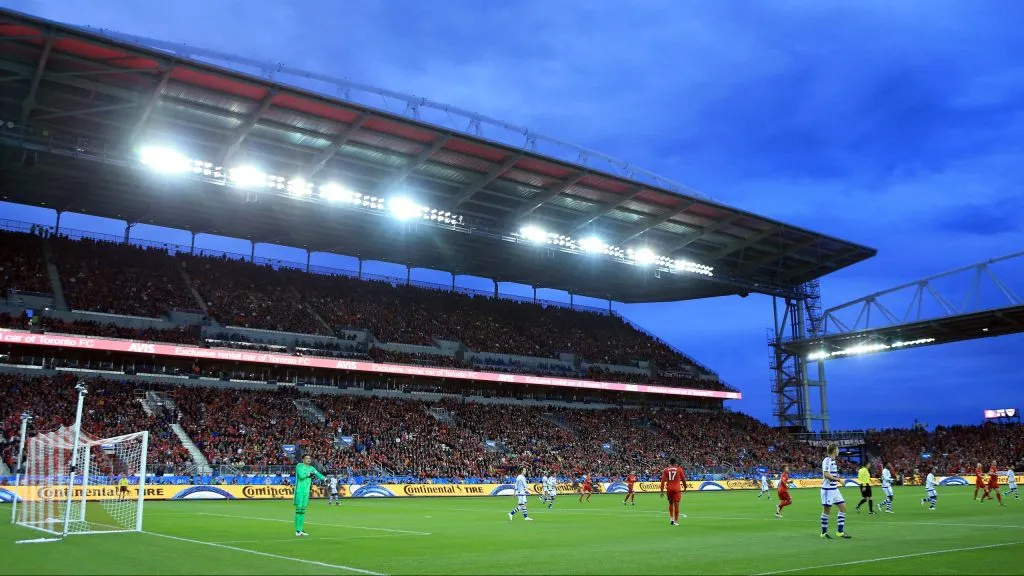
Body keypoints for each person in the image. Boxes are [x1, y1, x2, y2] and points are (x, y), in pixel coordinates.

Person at [820, 444, 851, 539]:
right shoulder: (827, 460)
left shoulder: (833, 461)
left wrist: (839, 479)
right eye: (837, 449)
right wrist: (838, 480)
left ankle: (840, 532)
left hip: (834, 489)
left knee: (843, 508)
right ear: (834, 451)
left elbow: (832, 475)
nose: (838, 451)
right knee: (826, 511)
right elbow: (826, 475)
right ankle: (823, 533)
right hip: (827, 490)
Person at [294, 453, 326, 536]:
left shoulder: (312, 468)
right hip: (299, 490)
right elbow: (301, 476)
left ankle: (301, 530)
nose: (309, 459)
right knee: (299, 510)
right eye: (307, 458)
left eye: (310, 458)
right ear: (303, 459)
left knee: (303, 511)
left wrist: (325, 478)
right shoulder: (299, 466)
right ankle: (297, 530)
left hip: (306, 491)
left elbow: (319, 475)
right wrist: (309, 474)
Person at [659, 458, 687, 526]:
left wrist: (662, 491)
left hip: (669, 489)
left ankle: (671, 518)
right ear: (675, 463)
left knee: (671, 503)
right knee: (676, 505)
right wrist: (685, 487)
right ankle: (676, 521)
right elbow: (683, 479)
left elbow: (662, 480)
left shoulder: (666, 469)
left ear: (670, 463)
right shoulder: (679, 469)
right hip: (676, 489)